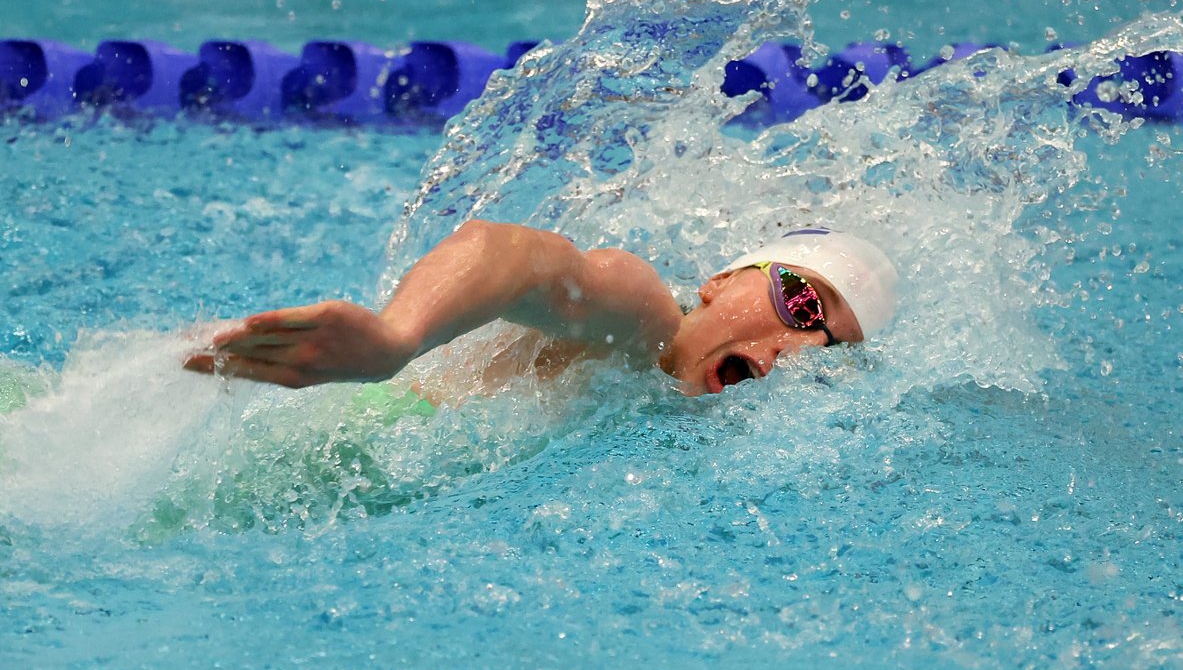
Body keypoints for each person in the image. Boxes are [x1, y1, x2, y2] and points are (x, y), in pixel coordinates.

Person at [184, 220, 897, 396]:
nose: (794, 349)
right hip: (333, 404)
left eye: (830, 349)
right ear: (718, 280)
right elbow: (514, 255)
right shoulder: (644, 322)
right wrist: (396, 337)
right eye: (801, 300)